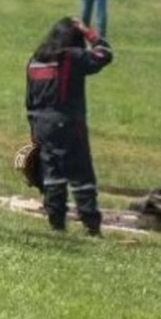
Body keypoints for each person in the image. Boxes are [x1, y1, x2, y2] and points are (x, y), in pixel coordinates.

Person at [25, 16, 114, 235]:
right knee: (81, 173)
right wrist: (89, 32)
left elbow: (29, 100)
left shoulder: (35, 60)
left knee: (52, 174)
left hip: (41, 124)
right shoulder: (71, 57)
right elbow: (104, 54)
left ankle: (56, 223)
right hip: (68, 123)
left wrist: (34, 131)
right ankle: (90, 224)